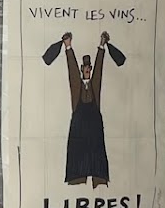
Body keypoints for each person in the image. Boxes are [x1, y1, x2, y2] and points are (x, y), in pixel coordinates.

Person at [41, 31, 126, 187]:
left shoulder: (94, 87)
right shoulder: (77, 88)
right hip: (79, 128)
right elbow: (72, 71)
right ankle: (77, 180)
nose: (87, 70)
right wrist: (68, 47)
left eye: (89, 68)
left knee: (97, 154)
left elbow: (99, 71)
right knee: (77, 155)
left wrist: (101, 46)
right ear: (82, 69)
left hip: (94, 127)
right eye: (85, 68)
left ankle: (99, 180)